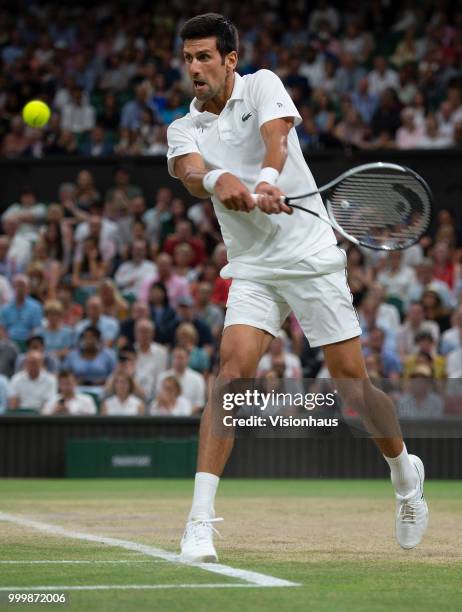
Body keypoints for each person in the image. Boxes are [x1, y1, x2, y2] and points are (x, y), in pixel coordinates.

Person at [166, 13, 428, 563]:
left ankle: (404, 472)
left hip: (309, 257)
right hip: (254, 268)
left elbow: (276, 138)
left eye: (205, 56)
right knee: (231, 376)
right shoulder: (184, 128)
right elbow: (190, 174)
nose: (195, 67)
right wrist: (219, 180)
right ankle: (199, 523)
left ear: (230, 59)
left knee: (352, 386)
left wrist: (263, 181)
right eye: (188, 57)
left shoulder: (263, 85)